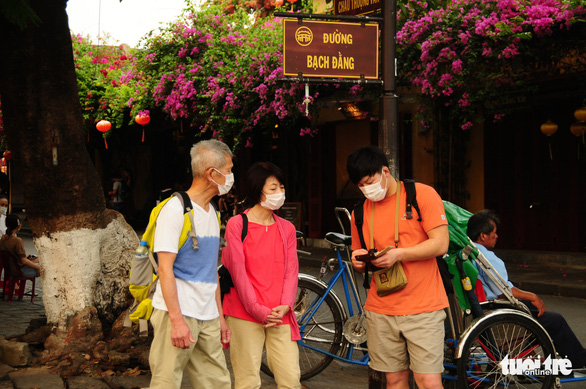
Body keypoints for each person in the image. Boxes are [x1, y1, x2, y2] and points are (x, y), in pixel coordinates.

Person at [347, 146, 449, 389]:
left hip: (423, 307)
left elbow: (441, 244)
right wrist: (357, 261)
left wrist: (399, 254)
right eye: (360, 185)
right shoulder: (359, 211)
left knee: (428, 381)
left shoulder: (421, 195)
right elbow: (360, 260)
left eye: (369, 181)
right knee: (394, 380)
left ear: (385, 171)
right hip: (381, 309)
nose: (366, 189)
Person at [148, 139, 233, 389]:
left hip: (207, 313)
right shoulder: (174, 210)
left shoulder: (213, 212)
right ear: (211, 173)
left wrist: (219, 316)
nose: (230, 177)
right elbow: (165, 269)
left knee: (217, 383)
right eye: (228, 171)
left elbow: (211, 270)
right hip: (177, 312)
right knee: (166, 382)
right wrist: (176, 321)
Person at [467, 210, 586, 370]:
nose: (497, 236)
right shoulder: (485, 256)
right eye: (494, 233)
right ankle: (577, 361)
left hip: (483, 308)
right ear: (483, 236)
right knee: (555, 321)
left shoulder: (468, 253)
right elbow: (504, 290)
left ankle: (553, 359)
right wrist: (532, 296)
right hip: (498, 310)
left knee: (544, 319)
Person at [221, 162, 301, 389]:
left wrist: (286, 305)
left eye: (281, 188)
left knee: (291, 378)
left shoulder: (287, 228)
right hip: (244, 313)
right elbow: (237, 272)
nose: (280, 193)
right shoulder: (237, 225)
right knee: (247, 381)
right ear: (258, 190)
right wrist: (257, 309)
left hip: (279, 313)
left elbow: (291, 271)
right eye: (273, 188)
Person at [0, 213, 40, 277]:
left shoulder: (3, 238)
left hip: (10, 269)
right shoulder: (17, 240)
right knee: (44, 266)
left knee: (38, 259)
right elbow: (23, 261)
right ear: (19, 226)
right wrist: (38, 267)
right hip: (19, 271)